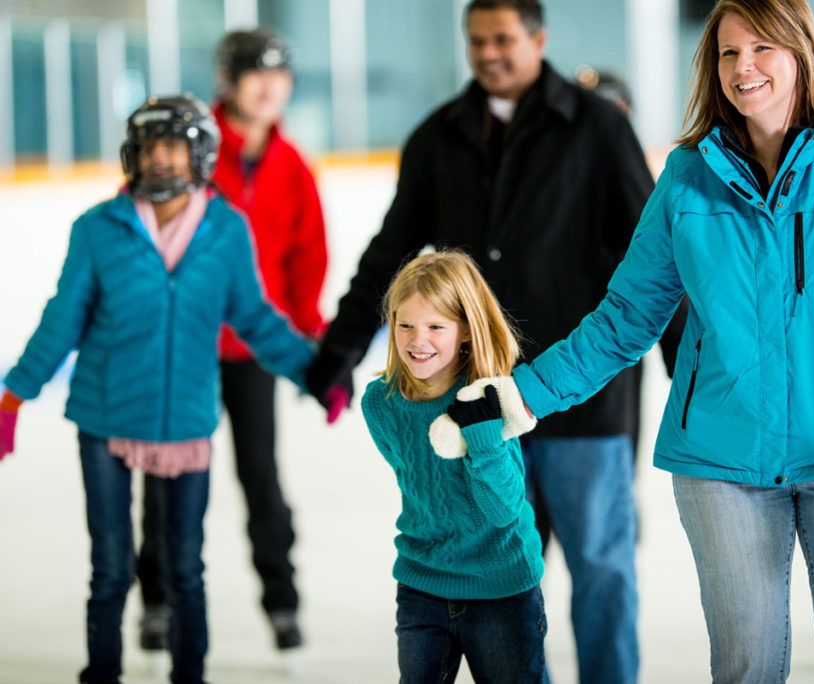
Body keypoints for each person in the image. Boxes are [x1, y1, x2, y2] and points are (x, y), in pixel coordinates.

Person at [505, 0, 814, 680]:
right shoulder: (687, 177)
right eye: (729, 53)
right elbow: (626, 317)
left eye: (763, 48)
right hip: (721, 464)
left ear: (800, 53)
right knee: (745, 665)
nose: (744, 67)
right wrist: (521, 394)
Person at [305, 2, 656, 681]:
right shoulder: (438, 138)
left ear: (538, 39)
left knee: (602, 572)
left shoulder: (598, 129)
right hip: (471, 411)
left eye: (503, 39)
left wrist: (688, 364)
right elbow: (389, 259)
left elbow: (652, 261)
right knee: (505, 581)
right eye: (477, 41)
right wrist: (340, 350)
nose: (488, 53)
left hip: (582, 405)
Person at [0, 94, 314, 684]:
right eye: (149, 147)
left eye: (173, 145)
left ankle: (188, 674)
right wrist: (16, 393)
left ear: (200, 155)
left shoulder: (225, 229)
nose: (161, 159)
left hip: (185, 420)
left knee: (185, 569)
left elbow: (255, 318)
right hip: (106, 418)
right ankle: (103, 671)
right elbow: (61, 319)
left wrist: (314, 372)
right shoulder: (98, 229)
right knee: (111, 568)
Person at [136, 27, 328, 652]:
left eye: (280, 73)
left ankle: (282, 601)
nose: (270, 86)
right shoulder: (187, 146)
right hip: (182, 346)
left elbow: (307, 257)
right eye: (255, 73)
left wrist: (308, 344)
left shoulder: (293, 164)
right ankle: (158, 600)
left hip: (251, 350)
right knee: (168, 471)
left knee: (260, 475)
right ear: (228, 81)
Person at [361, 249, 546, 682]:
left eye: (435, 327)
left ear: (465, 331)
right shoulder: (380, 403)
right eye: (404, 325)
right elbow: (417, 482)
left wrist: (483, 437)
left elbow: (503, 510)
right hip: (422, 582)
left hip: (501, 587)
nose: (416, 340)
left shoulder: (492, 399)